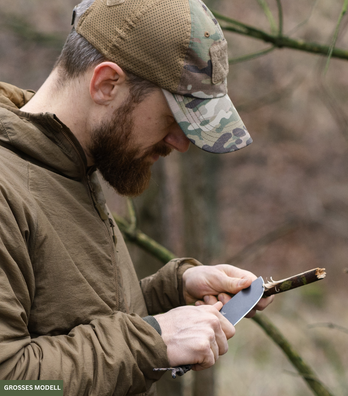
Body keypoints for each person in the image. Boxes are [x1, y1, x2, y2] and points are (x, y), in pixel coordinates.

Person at [0, 0, 273, 395]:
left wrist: (170, 291)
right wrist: (153, 339)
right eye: (174, 117)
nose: (181, 143)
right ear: (106, 84)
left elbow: (62, 319)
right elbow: (12, 383)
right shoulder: (10, 186)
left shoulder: (71, 168)